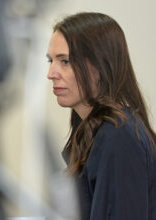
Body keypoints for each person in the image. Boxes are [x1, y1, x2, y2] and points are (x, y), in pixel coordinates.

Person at [46, 12, 156, 220]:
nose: (51, 73)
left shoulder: (118, 135)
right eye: (50, 60)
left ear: (99, 66)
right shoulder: (95, 130)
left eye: (65, 61)